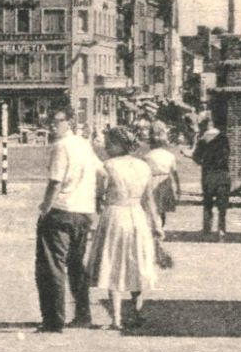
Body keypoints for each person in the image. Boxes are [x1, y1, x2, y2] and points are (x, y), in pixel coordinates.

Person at [35, 109, 103, 333]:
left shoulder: (60, 146)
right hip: (83, 213)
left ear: (70, 122)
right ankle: (83, 315)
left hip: (61, 210)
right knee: (76, 266)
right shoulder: (84, 144)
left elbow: (55, 182)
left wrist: (45, 208)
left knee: (52, 267)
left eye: (57, 121)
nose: (52, 125)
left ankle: (54, 321)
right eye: (49, 121)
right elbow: (102, 172)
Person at [87, 127, 161, 330]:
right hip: (137, 216)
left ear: (119, 145)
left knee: (113, 263)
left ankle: (117, 318)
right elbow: (149, 199)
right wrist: (156, 224)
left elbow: (98, 194)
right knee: (136, 262)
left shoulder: (108, 166)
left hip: (115, 216)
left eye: (110, 143)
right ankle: (136, 313)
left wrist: (98, 204)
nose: (107, 148)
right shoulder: (143, 166)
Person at [190, 114, 232, 239]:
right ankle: (222, 229)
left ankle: (207, 230)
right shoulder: (224, 138)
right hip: (223, 174)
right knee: (222, 205)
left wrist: (204, 162)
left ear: (205, 124)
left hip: (208, 174)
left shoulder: (203, 139)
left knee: (208, 203)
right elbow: (227, 154)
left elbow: (196, 158)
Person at [142, 121, 181, 232]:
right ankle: (161, 227)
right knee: (162, 208)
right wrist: (178, 188)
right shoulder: (169, 156)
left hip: (152, 181)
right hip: (165, 181)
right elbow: (175, 173)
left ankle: (154, 227)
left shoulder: (147, 156)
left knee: (153, 206)